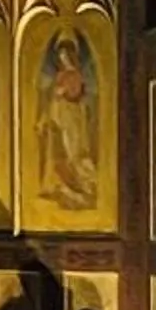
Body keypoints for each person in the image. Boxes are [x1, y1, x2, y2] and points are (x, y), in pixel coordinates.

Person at [37, 29, 101, 214]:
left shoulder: (76, 75)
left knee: (76, 152)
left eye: (67, 54)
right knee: (59, 154)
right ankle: (62, 186)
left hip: (73, 118)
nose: (64, 57)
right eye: (61, 54)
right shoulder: (59, 76)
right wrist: (44, 119)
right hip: (59, 119)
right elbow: (52, 98)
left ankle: (88, 185)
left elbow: (77, 95)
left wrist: (64, 93)